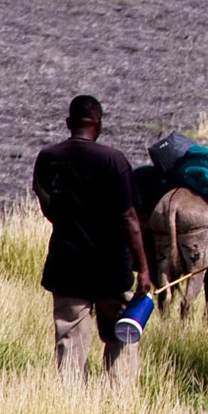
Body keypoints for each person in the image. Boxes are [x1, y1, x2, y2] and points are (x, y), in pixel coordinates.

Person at [32, 95, 155, 387]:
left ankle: (73, 411)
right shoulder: (114, 160)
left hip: (67, 265)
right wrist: (144, 268)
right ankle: (118, 406)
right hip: (112, 268)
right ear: (98, 125)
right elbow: (129, 218)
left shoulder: (48, 158)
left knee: (69, 340)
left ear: (68, 123)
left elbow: (46, 205)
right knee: (121, 336)